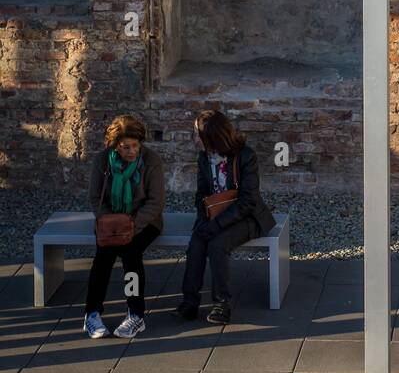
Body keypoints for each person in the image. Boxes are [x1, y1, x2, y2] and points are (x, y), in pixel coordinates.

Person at [174, 109, 276, 325]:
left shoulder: (245, 156)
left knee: (217, 245)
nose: (194, 140)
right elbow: (202, 193)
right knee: (196, 244)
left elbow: (248, 200)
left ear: (211, 137)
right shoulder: (204, 158)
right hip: (215, 215)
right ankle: (190, 301)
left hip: (247, 217)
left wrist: (216, 225)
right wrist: (204, 219)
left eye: (197, 135)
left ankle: (222, 304)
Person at [84, 115, 165, 339]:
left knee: (131, 253)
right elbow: (95, 198)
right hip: (110, 221)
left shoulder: (151, 161)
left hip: (143, 221)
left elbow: (156, 202)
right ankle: (92, 313)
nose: (131, 151)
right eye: (125, 147)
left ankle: (135, 314)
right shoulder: (102, 161)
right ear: (115, 146)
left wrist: (131, 226)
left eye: (135, 145)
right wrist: (112, 223)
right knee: (103, 255)